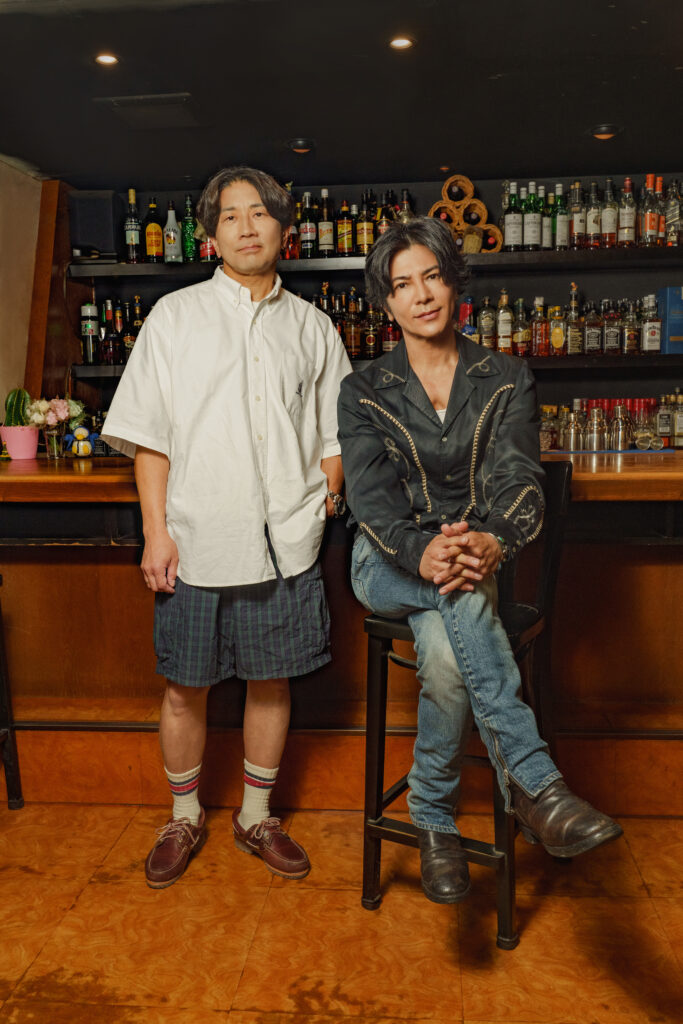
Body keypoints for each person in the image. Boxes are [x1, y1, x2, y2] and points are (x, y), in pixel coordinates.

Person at [337, 217, 622, 905]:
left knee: (443, 654)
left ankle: (431, 816)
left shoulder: (506, 377)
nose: (421, 295)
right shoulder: (363, 389)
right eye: (403, 285)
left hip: (472, 555)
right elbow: (372, 504)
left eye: (432, 276)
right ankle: (535, 785)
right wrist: (423, 551)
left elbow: (520, 479)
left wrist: (491, 539)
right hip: (385, 561)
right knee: (461, 593)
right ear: (387, 303)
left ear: (453, 283)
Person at [102, 166, 351, 888]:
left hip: (285, 544)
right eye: (231, 216)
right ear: (211, 236)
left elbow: (335, 433)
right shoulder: (174, 318)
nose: (246, 226)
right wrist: (156, 532)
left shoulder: (313, 326)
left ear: (284, 230)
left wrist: (325, 495)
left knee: (272, 682)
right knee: (185, 687)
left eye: (259, 213)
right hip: (197, 537)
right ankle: (183, 815)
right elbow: (150, 439)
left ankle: (256, 815)